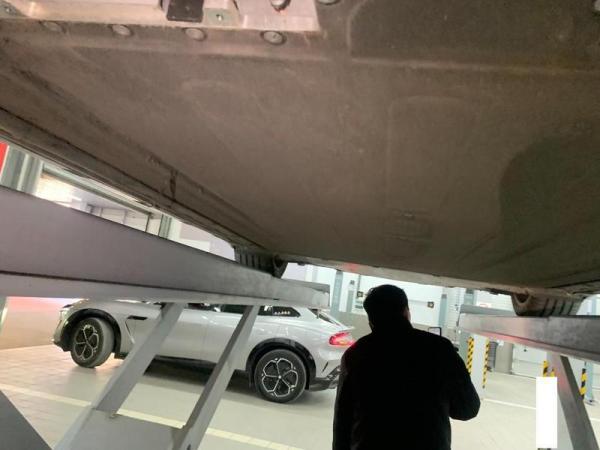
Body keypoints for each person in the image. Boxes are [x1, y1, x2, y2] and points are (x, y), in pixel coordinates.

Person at [333, 284, 480, 450]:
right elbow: (468, 409)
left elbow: (342, 422)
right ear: (406, 312)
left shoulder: (355, 354)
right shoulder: (440, 349)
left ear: (371, 320)